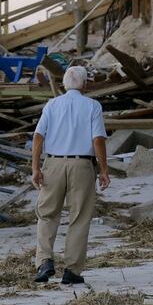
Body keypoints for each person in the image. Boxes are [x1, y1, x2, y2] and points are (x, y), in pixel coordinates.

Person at [30, 65, 110, 285]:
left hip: (53, 163)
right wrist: (104, 169)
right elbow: (98, 140)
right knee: (79, 218)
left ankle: (45, 261)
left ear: (65, 84)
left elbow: (38, 137)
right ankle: (72, 270)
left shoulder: (52, 105)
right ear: (84, 84)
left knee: (47, 214)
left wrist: (36, 167)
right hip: (82, 165)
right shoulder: (93, 106)